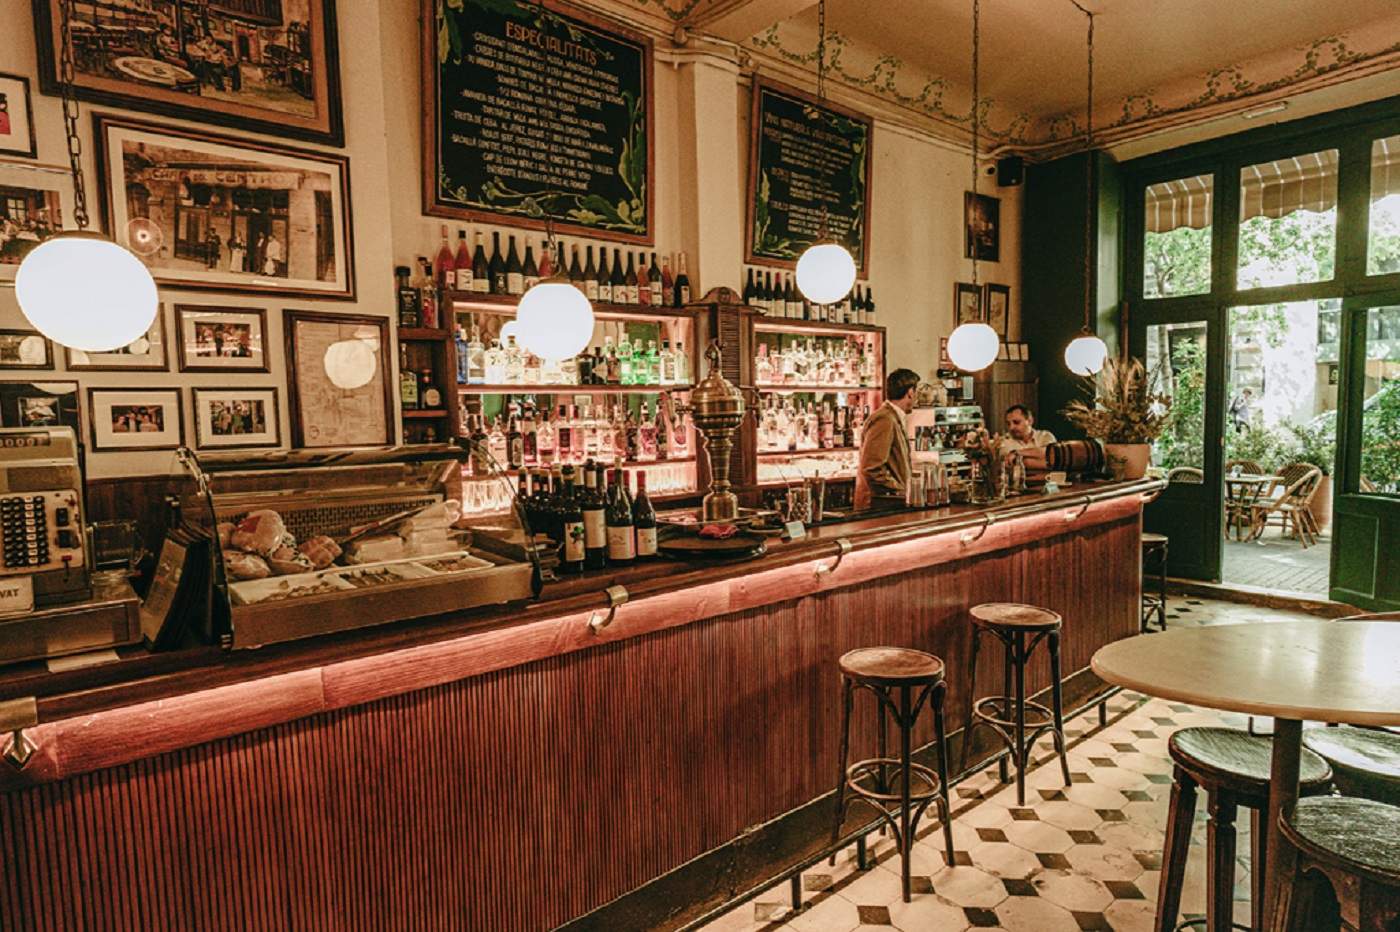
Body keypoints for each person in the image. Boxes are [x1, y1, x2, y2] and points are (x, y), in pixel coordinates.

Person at [855, 368, 919, 510]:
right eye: (916, 392)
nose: (916, 398)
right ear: (910, 392)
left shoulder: (891, 417)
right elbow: (872, 467)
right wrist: (900, 490)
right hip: (879, 506)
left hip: (888, 504)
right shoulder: (885, 419)